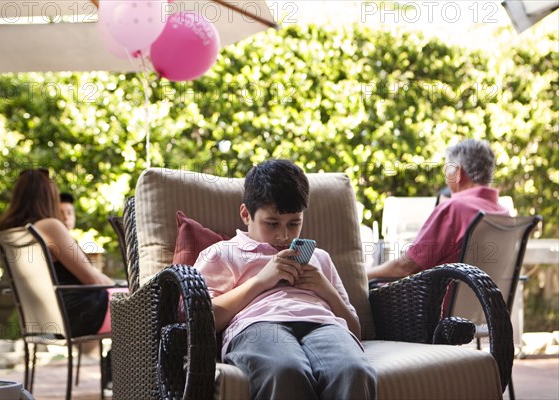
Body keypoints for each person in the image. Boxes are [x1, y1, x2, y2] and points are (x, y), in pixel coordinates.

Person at [194, 159, 377, 400]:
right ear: (246, 214)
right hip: (257, 327)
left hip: (324, 326)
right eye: (272, 224)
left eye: (294, 223)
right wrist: (261, 281)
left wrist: (324, 288)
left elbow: (355, 329)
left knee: (353, 371)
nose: (284, 235)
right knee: (285, 370)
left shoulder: (319, 258)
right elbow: (203, 320)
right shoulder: (222, 253)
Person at [367, 139, 509, 280]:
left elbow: (405, 267)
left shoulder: (455, 209)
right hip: (487, 302)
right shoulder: (504, 214)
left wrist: (366, 274)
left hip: (441, 301)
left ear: (458, 172)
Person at [0, 169, 117, 337]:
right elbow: (93, 279)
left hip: (50, 319)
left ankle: (113, 363)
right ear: (49, 197)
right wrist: (121, 287)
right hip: (81, 314)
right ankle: (131, 363)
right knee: (148, 303)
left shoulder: (12, 232)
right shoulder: (49, 226)